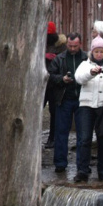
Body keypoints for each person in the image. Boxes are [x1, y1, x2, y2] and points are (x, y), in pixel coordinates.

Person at [73, 36, 103, 182]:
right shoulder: (84, 65)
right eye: (96, 51)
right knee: (84, 139)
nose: (99, 54)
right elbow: (79, 79)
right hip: (86, 106)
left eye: (101, 51)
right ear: (92, 52)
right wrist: (91, 73)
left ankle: (102, 171)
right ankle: (82, 170)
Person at [48, 32, 88, 173]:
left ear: (80, 44)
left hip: (82, 99)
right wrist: (62, 79)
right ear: (67, 45)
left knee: (83, 134)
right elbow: (50, 76)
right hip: (64, 99)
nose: (72, 48)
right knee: (61, 132)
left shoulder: (86, 58)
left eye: (75, 46)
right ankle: (60, 163)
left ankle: (82, 165)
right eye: (70, 46)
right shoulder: (59, 59)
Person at [44, 21, 67, 149]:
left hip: (54, 84)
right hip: (40, 84)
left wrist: (55, 58)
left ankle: (52, 138)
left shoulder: (61, 46)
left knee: (54, 112)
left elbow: (63, 60)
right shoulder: (38, 44)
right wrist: (44, 56)